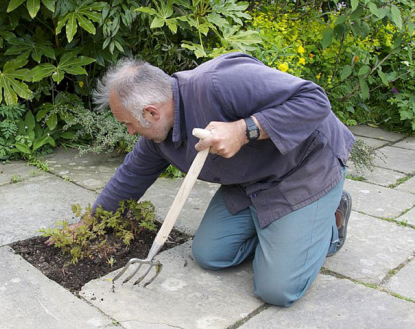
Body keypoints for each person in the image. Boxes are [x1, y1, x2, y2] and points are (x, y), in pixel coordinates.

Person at [90, 52, 354, 307]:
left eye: (129, 124)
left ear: (151, 113)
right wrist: (90, 223)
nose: (130, 131)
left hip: (303, 170)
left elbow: (315, 100)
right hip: (250, 182)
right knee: (209, 255)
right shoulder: (159, 138)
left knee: (278, 290)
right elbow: (130, 176)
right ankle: (282, 234)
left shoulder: (221, 81)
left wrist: (242, 130)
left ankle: (328, 222)